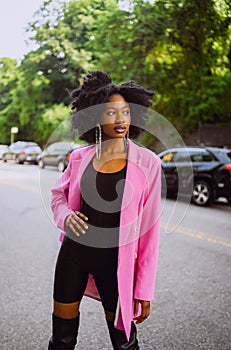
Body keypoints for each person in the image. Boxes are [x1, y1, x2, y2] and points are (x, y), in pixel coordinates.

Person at [48, 71, 161, 350]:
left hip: (115, 261)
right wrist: (66, 217)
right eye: (111, 112)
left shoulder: (148, 163)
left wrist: (144, 288)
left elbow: (150, 231)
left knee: (123, 342)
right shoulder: (80, 157)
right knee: (61, 339)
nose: (121, 119)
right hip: (73, 255)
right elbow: (57, 198)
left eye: (126, 112)